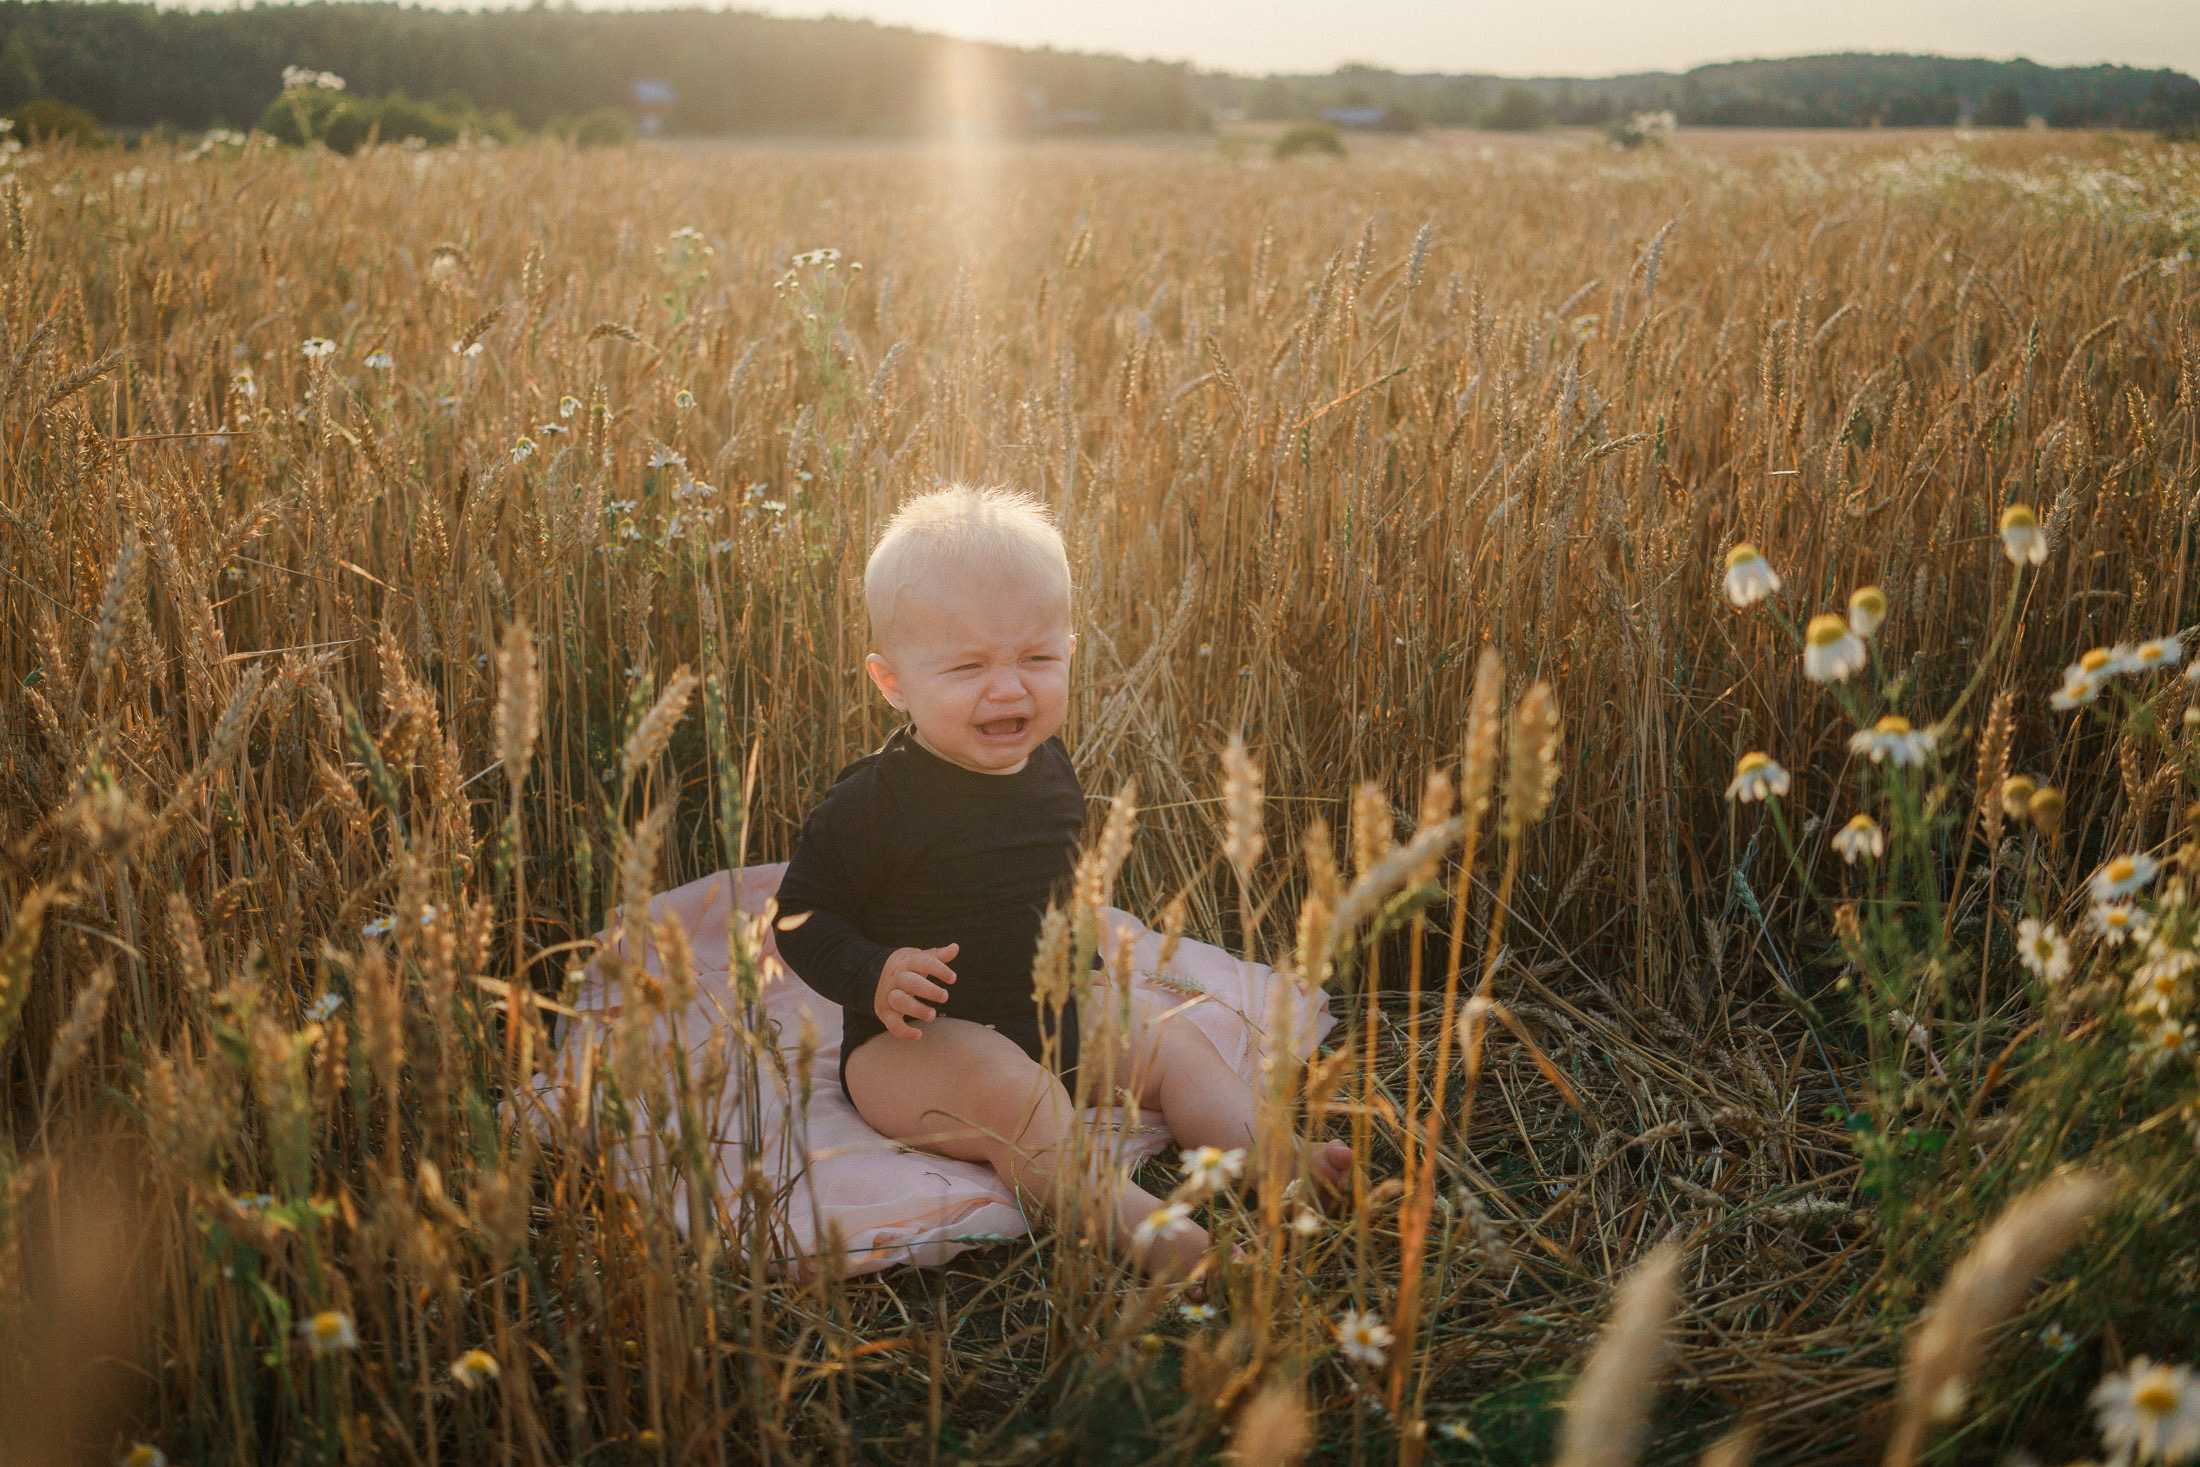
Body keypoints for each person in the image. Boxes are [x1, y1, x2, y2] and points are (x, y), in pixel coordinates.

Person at [773, 484, 1352, 1283]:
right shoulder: (874, 802)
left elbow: (1049, 882)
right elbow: (800, 916)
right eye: (969, 665)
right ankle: (1154, 1234)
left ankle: (1275, 1157)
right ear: (892, 680)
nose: (1009, 689)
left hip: (1050, 1007)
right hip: (916, 1046)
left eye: (1036, 659)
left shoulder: (1049, 768)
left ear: (1071, 649)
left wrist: (1084, 955)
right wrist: (873, 974)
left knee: (1174, 1043)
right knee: (1017, 1097)